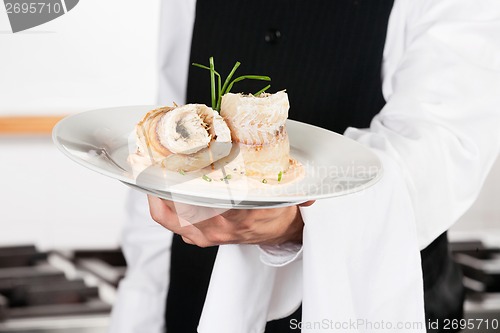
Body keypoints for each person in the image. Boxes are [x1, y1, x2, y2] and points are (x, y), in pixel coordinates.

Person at [110, 0, 500, 332]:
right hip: (195, 296)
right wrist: (141, 306)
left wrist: (300, 215)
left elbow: (445, 143)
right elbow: (172, 106)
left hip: (372, 297)